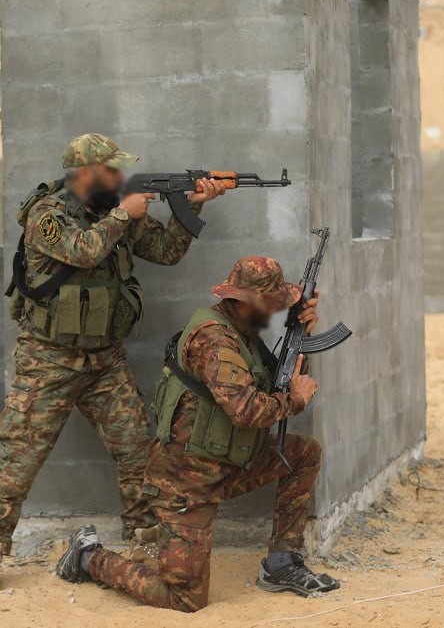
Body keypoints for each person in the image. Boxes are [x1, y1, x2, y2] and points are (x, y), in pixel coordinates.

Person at [0, 133, 228, 593]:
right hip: (47, 359)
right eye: (111, 169)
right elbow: (83, 250)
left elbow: (167, 252)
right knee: (23, 459)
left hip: (105, 359)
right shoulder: (48, 215)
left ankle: (144, 541)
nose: (119, 176)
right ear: (84, 173)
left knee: (136, 452)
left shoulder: (117, 206)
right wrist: (122, 214)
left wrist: (195, 206)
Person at [54, 256, 339, 611]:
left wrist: (302, 336)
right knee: (183, 599)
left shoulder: (244, 334)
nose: (276, 313)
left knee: (304, 452)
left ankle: (281, 563)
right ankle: (87, 557)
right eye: (272, 305)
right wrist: (294, 401)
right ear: (246, 303)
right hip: (186, 484)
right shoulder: (214, 339)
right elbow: (247, 410)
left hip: (229, 464)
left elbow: (279, 383)